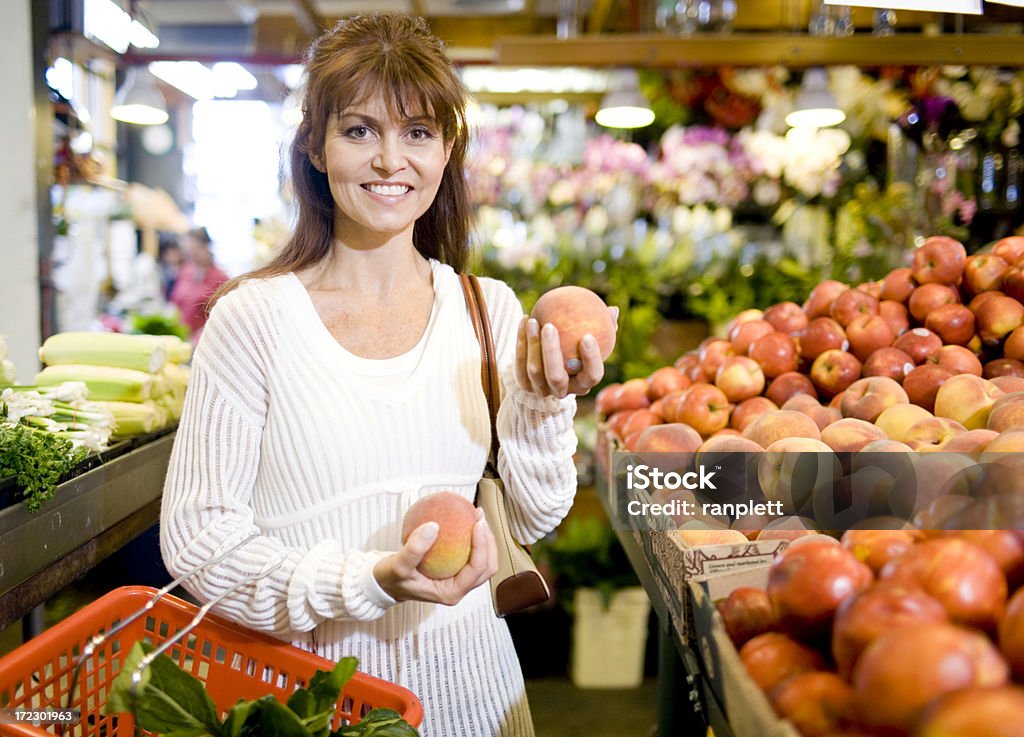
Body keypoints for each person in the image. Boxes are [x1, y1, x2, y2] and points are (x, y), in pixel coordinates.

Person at [160, 13, 615, 737]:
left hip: (475, 698)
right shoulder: (252, 319)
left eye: (417, 133)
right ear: (314, 143)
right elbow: (199, 540)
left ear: (446, 151)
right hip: (310, 705)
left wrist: (545, 401)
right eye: (360, 130)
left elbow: (535, 517)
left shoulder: (486, 308)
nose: (389, 161)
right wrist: (366, 580)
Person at [168, 226, 228, 340]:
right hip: (181, 339)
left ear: (207, 246)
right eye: (188, 251)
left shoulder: (220, 278)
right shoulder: (186, 271)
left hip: (205, 341)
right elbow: (176, 303)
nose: (192, 255)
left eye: (195, 250)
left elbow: (221, 318)